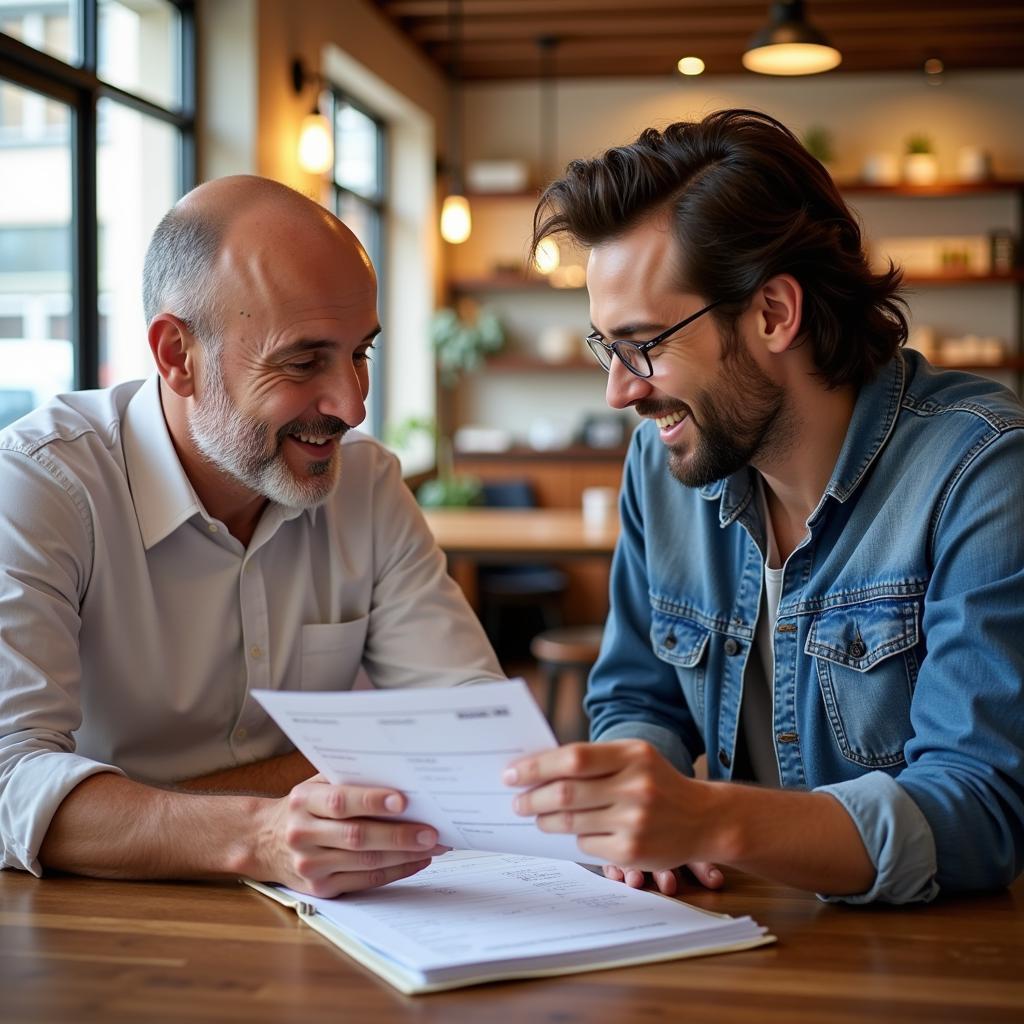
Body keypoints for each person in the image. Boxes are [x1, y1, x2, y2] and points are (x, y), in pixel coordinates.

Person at [504, 109, 1024, 904]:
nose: (619, 390)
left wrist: (708, 818)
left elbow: (980, 813)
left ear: (775, 313)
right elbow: (637, 695)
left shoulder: (981, 469)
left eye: (644, 343)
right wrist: (637, 811)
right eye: (606, 347)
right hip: (730, 937)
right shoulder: (662, 461)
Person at [0, 176, 503, 896]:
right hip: (88, 927)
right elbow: (8, 782)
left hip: (323, 920)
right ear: (177, 356)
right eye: (303, 362)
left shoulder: (365, 486)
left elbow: (467, 733)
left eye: (361, 352)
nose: (353, 405)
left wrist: (143, 806)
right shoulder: (39, 485)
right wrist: (258, 830)